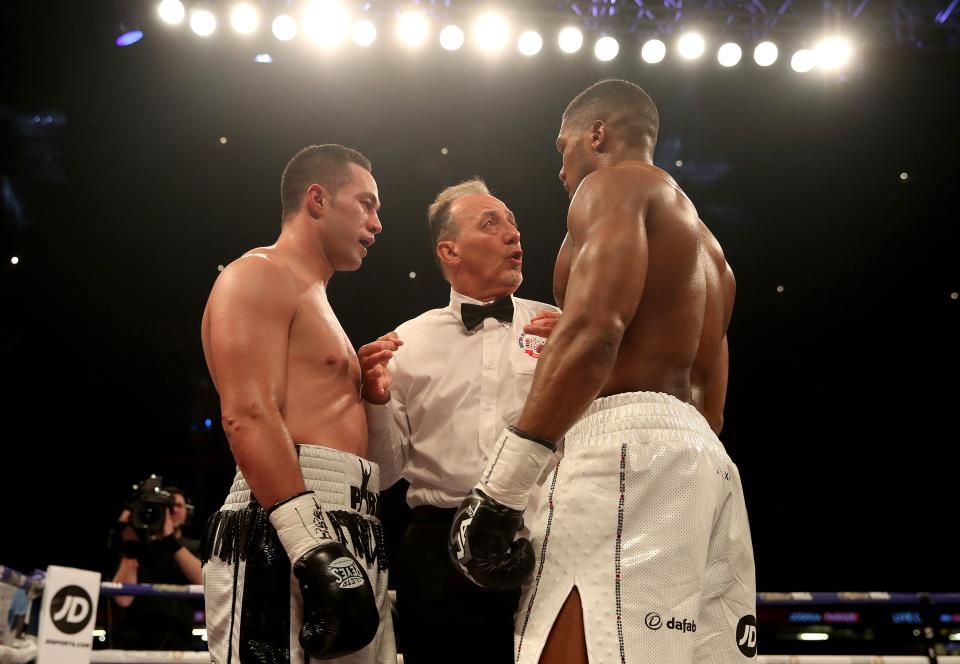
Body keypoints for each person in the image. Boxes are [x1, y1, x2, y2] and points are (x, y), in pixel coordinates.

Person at [448, 79, 756, 664]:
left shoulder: (609, 185)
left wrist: (501, 489)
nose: (562, 171)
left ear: (596, 134)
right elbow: (711, 411)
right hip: (705, 464)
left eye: (562, 149)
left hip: (620, 450)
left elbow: (597, 332)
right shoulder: (713, 255)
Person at [199, 144, 395, 664]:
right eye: (367, 203)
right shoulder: (258, 275)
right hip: (285, 523)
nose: (377, 222)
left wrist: (369, 400)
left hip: (351, 517)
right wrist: (312, 545)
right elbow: (248, 415)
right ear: (317, 199)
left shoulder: (316, 297)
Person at [359, 178, 560, 663]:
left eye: (512, 223)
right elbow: (384, 473)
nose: (513, 234)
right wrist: (375, 402)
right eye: (491, 224)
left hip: (546, 536)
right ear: (450, 250)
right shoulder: (407, 343)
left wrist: (585, 355)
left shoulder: (560, 327)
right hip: (437, 550)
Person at [111, 486, 203, 650]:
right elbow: (122, 600)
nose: (173, 510)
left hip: (179, 645)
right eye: (167, 506)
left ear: (188, 513)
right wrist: (129, 545)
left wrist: (170, 541)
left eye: (179, 505)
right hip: (133, 645)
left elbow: (205, 582)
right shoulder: (135, 547)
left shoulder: (195, 547)